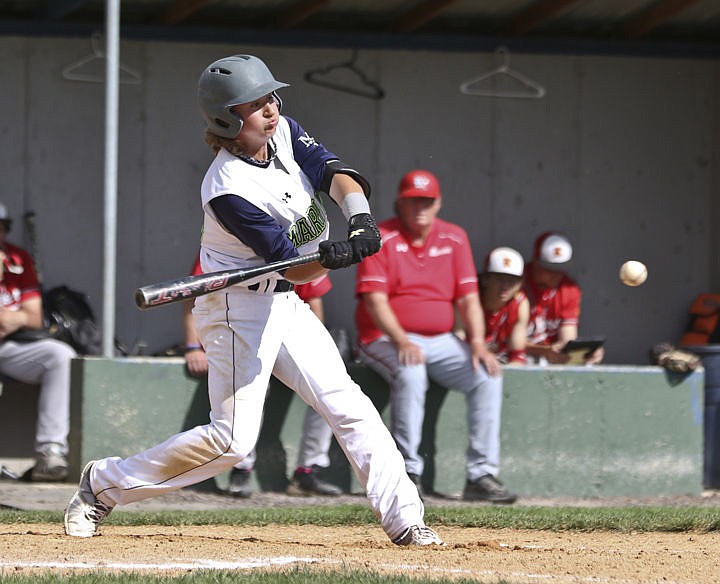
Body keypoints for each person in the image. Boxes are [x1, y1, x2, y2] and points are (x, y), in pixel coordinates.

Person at [64, 54, 442, 546]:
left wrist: (360, 218)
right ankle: (103, 484)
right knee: (231, 441)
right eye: (255, 104)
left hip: (285, 304)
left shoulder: (282, 131)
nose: (270, 108)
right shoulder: (226, 188)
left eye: (270, 97)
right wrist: (335, 259)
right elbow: (292, 264)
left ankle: (404, 520)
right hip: (236, 309)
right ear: (226, 119)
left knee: (348, 404)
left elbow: (334, 173)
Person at [354, 169, 517, 504]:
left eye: (426, 201)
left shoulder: (455, 237)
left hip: (440, 339)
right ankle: (407, 473)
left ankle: (481, 475)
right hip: (383, 337)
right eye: (413, 201)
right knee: (411, 372)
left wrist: (477, 344)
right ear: (400, 202)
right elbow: (374, 301)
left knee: (487, 373)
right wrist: (402, 340)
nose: (420, 207)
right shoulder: (381, 236)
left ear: (438, 202)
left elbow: (469, 298)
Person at [183, 255, 340, 497]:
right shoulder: (229, 240)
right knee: (249, 389)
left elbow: (314, 299)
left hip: (288, 331)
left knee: (327, 388)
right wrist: (193, 346)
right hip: (245, 332)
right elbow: (195, 293)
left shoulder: (297, 242)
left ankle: (309, 469)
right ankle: (241, 468)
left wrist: (309, 351)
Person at [0, 203, 77, 481]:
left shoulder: (17, 259)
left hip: (10, 346)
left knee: (59, 355)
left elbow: (34, 318)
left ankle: (50, 451)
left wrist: (14, 318)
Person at [524, 232, 604, 365]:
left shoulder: (569, 289)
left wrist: (584, 353)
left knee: (587, 364)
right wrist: (544, 351)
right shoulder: (516, 284)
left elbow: (567, 340)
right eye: (550, 268)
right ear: (535, 262)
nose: (557, 274)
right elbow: (508, 342)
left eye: (561, 268)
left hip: (550, 356)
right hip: (521, 355)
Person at [479, 247, 530, 365]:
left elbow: (517, 354)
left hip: (501, 362)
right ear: (485, 279)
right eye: (499, 279)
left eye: (512, 281)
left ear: (520, 284)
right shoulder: (471, 299)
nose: (505, 286)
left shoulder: (520, 303)